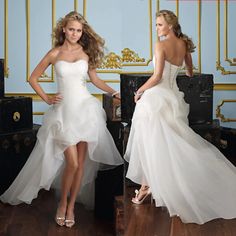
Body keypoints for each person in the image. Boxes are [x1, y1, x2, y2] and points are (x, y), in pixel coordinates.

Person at [0, 11, 123, 228]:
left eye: (78, 30)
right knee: (72, 163)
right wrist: (46, 98)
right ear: (63, 29)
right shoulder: (54, 53)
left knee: (80, 166)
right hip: (64, 114)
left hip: (86, 111)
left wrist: (114, 93)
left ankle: (71, 206)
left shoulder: (86, 53)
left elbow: (95, 80)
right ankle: (61, 204)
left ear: (81, 32)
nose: (75, 33)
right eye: (71, 29)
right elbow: (33, 77)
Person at [124, 9, 236, 224]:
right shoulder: (184, 44)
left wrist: (139, 92)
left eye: (159, 25)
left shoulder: (160, 45)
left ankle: (147, 186)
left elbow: (156, 77)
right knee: (165, 143)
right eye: (156, 25)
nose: (156, 28)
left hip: (156, 99)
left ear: (170, 25)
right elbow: (191, 73)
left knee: (151, 144)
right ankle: (148, 186)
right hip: (173, 98)